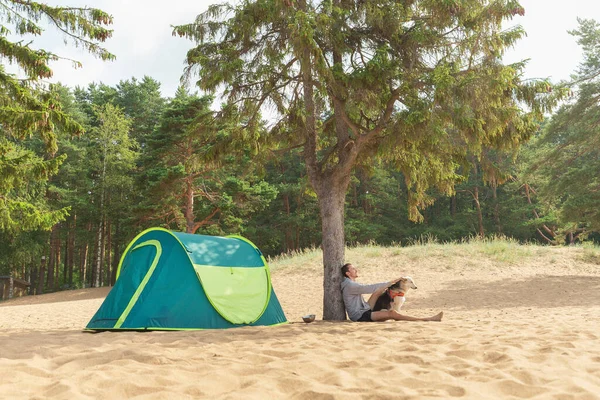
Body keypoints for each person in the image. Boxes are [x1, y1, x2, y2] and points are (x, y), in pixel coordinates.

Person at [340, 263, 443, 322]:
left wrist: (387, 286)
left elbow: (375, 290)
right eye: (353, 269)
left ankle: (391, 301)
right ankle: (427, 319)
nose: (356, 269)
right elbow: (369, 287)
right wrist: (392, 282)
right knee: (392, 313)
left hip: (365, 308)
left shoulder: (350, 283)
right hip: (360, 316)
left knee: (378, 291)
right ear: (348, 273)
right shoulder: (350, 285)